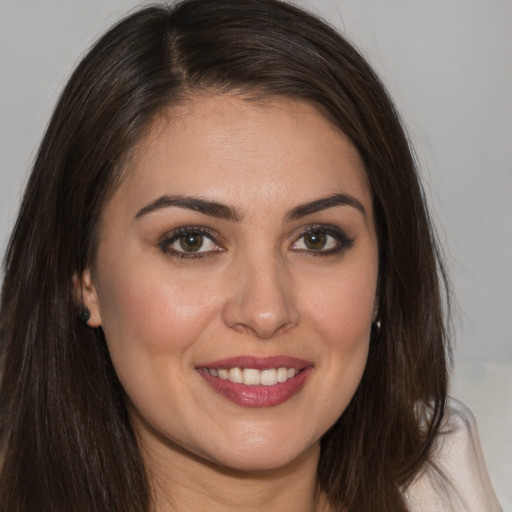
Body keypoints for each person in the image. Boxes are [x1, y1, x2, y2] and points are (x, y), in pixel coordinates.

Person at [0, 0, 502, 511]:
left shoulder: (443, 484)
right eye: (192, 241)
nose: (266, 311)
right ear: (83, 278)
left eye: (317, 239)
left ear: (383, 275)